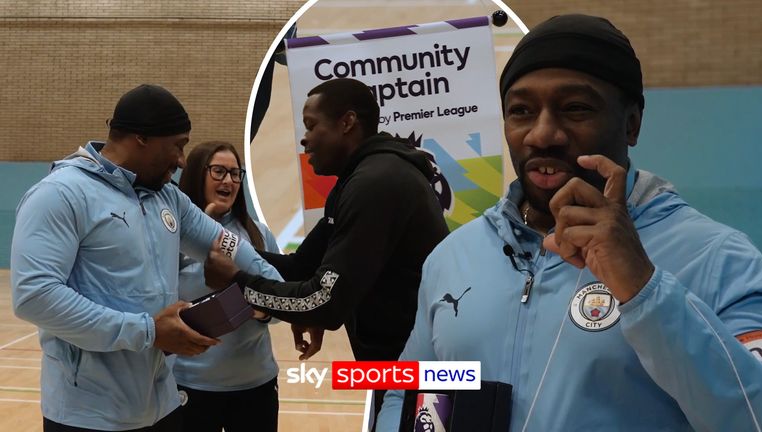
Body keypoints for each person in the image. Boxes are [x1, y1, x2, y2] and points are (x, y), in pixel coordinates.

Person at [376, 14, 762, 431]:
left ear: (631, 123)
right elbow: (408, 393)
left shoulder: (719, 258)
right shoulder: (453, 257)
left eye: (575, 108)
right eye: (521, 111)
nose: (542, 134)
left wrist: (644, 290)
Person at [10, 84, 281, 431]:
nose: (182, 160)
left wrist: (286, 298)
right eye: (177, 145)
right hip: (88, 415)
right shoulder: (60, 194)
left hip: (162, 407)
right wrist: (148, 331)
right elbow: (35, 296)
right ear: (141, 138)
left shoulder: (168, 198)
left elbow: (229, 246)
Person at [204, 77, 449, 414]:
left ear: (347, 123)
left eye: (311, 125)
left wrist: (237, 283)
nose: (304, 138)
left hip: (423, 376)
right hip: (397, 369)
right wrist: (223, 246)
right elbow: (300, 267)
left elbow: (324, 302)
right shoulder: (357, 180)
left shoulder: (376, 184)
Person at [173, 141, 281, 432]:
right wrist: (203, 225)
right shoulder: (173, 234)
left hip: (255, 385)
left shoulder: (258, 234)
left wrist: (259, 310)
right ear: (198, 174)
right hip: (189, 383)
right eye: (219, 171)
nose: (229, 181)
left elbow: (281, 302)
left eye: (235, 173)